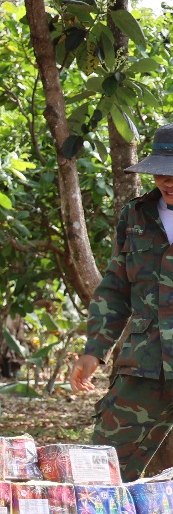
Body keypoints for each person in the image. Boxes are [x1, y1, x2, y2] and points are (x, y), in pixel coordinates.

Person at [72, 123, 173, 479]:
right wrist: (94, 349)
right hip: (145, 366)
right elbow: (116, 287)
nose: (168, 181)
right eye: (161, 172)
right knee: (105, 468)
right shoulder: (135, 215)